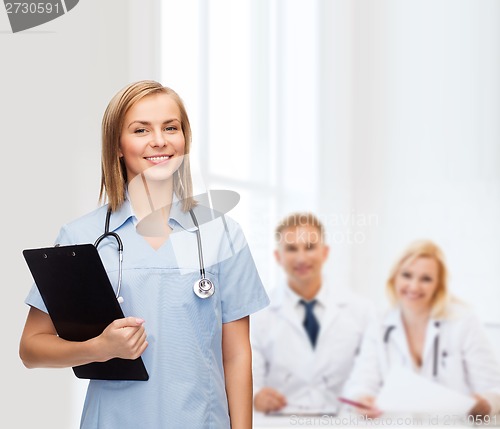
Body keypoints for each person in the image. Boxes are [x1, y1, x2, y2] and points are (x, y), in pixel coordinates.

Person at [19, 80, 269, 429]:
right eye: (141, 130)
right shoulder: (81, 237)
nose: (160, 140)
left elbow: (238, 354)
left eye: (171, 127)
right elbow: (32, 348)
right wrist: (98, 348)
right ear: (118, 146)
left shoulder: (221, 233)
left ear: (185, 139)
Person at [343, 239, 500, 417]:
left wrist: (486, 404)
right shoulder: (379, 324)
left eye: (426, 279)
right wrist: (363, 398)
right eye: (407, 275)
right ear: (394, 277)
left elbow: (494, 387)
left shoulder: (463, 322)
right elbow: (361, 382)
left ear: (438, 285)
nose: (414, 286)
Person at [251, 212, 375, 414]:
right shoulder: (258, 314)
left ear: (325, 252)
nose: (301, 258)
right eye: (291, 249)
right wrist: (256, 396)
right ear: (278, 257)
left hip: (342, 421)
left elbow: (367, 372)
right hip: (281, 423)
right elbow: (249, 377)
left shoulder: (361, 310)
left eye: (310, 247)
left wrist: (362, 396)